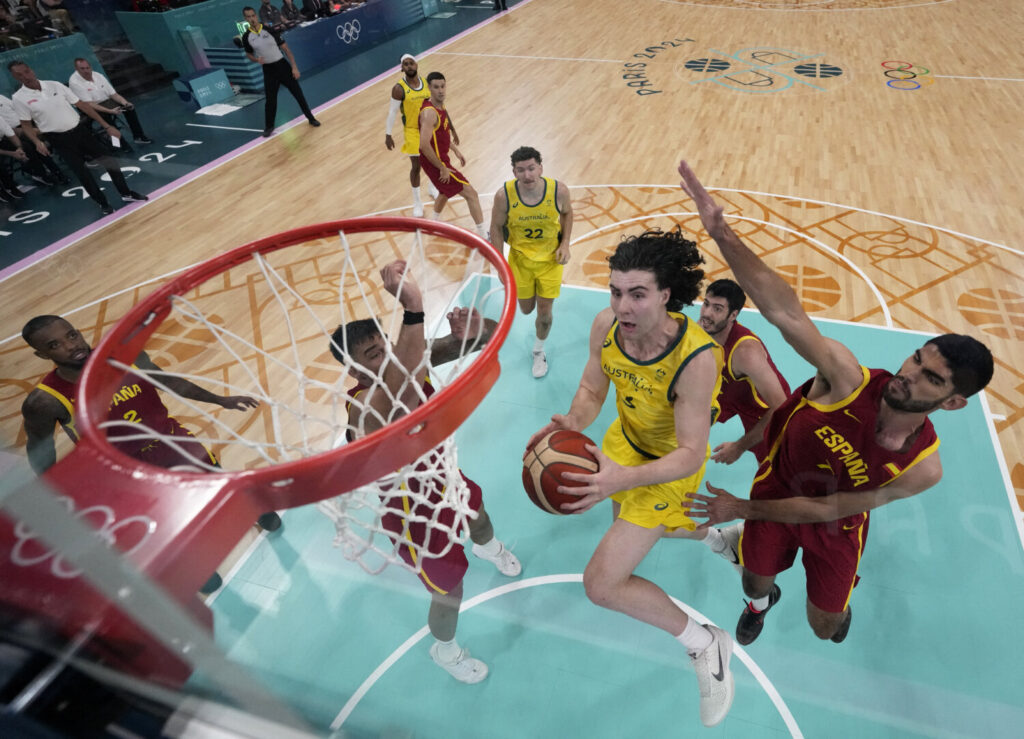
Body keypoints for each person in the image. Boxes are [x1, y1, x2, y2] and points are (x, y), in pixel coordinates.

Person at [678, 160, 994, 647]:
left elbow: (831, 508)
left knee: (824, 628)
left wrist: (737, 507)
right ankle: (760, 604)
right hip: (777, 489)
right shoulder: (846, 377)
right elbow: (784, 309)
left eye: (929, 376)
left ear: (952, 403)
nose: (908, 373)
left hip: (834, 522)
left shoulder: (923, 469)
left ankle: (832, 606)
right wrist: (722, 233)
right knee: (753, 582)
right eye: (915, 357)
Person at [525, 227, 736, 728]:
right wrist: (574, 422)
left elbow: (690, 454)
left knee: (601, 584)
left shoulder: (696, 359)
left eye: (638, 294)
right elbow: (592, 388)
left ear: (666, 295)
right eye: (616, 291)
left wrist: (622, 479)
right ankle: (718, 538)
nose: (623, 306)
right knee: (662, 528)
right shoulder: (606, 326)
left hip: (668, 469)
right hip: (623, 445)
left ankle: (706, 644)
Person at [332, 260, 521, 683]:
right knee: (450, 593)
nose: (385, 357)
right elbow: (400, 375)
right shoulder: (365, 408)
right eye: (371, 354)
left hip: (446, 477)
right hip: (414, 514)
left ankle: (490, 548)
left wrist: (476, 330)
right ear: (353, 370)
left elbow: (489, 338)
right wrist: (414, 308)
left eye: (385, 346)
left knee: (480, 513)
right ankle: (446, 651)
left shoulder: (409, 362)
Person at [9, 60, 147, 216]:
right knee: (83, 174)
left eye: (26, 71)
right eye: (19, 75)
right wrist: (36, 141)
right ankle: (103, 203)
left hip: (80, 132)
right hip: (58, 139)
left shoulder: (55, 85)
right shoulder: (19, 98)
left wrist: (107, 126)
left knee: (110, 161)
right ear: (14, 77)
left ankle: (126, 193)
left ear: (31, 70)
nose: (25, 76)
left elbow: (82, 105)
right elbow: (25, 124)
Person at [488, 146, 572, 379]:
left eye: (532, 168)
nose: (527, 175)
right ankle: (533, 316)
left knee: (544, 313)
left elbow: (567, 213)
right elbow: (495, 227)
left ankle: (538, 351)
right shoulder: (504, 196)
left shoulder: (559, 191)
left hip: (550, 261)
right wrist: (499, 263)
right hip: (520, 260)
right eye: (521, 170)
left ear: (541, 168)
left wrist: (565, 244)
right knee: (526, 309)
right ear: (514, 172)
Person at [699, 278, 790, 465]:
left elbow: (781, 407)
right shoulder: (703, 328)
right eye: (706, 304)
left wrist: (739, 447)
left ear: (733, 315)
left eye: (717, 308)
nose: (707, 313)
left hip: (763, 410)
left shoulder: (746, 353)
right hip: (731, 394)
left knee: (769, 471)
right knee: (680, 419)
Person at [417, 72, 487, 240]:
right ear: (429, 88)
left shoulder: (440, 106)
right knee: (471, 193)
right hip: (434, 161)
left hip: (442, 159)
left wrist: (454, 149)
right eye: (436, 87)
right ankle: (485, 236)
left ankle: (433, 223)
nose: (440, 90)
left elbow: (440, 134)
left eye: (442, 86)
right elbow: (424, 145)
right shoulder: (429, 113)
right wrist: (442, 168)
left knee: (445, 190)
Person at [241, 6, 321, 138]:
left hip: (282, 66)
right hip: (268, 70)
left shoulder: (269, 30)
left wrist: (294, 67)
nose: (251, 19)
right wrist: (256, 60)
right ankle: (269, 127)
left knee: (298, 94)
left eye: (253, 16)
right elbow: (248, 54)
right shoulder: (247, 37)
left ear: (256, 16)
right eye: (248, 17)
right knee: (270, 100)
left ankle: (311, 118)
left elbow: (286, 49)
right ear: (245, 19)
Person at [384, 53, 439, 217]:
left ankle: (431, 187)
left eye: (411, 63)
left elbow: (435, 105)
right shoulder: (399, 89)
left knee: (433, 160)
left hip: (429, 129)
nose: (409, 66)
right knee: (416, 166)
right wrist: (388, 134)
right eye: (405, 64)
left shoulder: (427, 84)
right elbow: (392, 112)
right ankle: (417, 203)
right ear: (402, 68)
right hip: (412, 131)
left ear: (417, 65)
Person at [68, 58, 153, 146]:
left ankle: (138, 137)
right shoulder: (74, 82)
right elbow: (90, 104)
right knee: (106, 118)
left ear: (90, 67)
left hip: (106, 101)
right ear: (76, 69)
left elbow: (114, 95)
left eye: (87, 68)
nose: (86, 71)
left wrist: (125, 103)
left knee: (129, 108)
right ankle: (120, 145)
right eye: (82, 68)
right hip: (91, 107)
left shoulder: (98, 75)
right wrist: (110, 111)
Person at [0, 92, 66, 187]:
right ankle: (45, 173)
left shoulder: (1, 97)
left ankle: (55, 169)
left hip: (23, 125)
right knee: (31, 145)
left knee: (46, 130)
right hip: (8, 134)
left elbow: (16, 109)